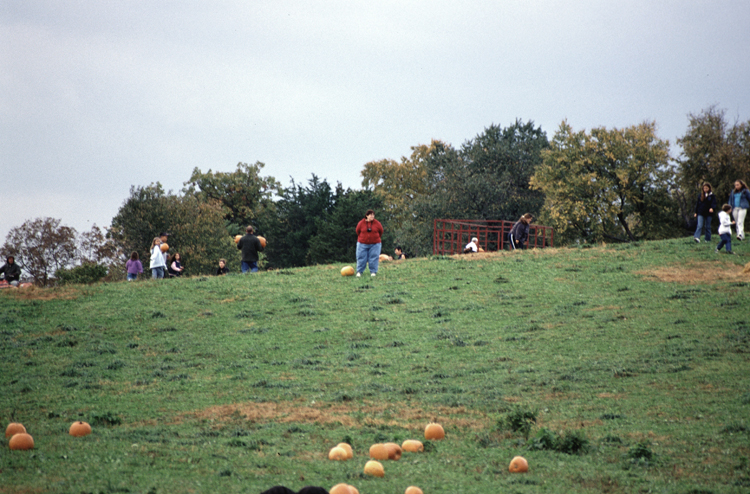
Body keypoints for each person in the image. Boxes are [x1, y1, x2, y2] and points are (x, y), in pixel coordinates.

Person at [355, 209, 384, 277]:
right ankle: (359, 272)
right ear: (366, 216)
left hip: (375, 244)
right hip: (362, 243)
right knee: (361, 257)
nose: (372, 216)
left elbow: (381, 231)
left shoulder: (377, 223)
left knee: (374, 257)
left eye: (373, 215)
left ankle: (373, 272)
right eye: (370, 215)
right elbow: (357, 231)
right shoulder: (361, 223)